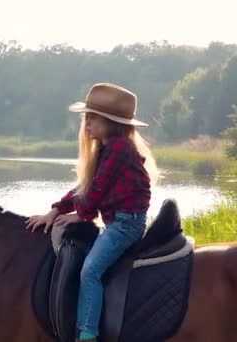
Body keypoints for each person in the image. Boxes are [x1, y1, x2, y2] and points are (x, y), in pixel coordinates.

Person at [25, 83, 158, 342]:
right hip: (115, 222)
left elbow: (96, 189)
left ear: (110, 122)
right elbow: (84, 187)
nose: (86, 124)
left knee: (91, 271)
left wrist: (82, 214)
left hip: (125, 224)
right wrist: (55, 209)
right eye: (86, 117)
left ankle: (88, 334)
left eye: (93, 118)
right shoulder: (107, 149)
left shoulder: (120, 148)